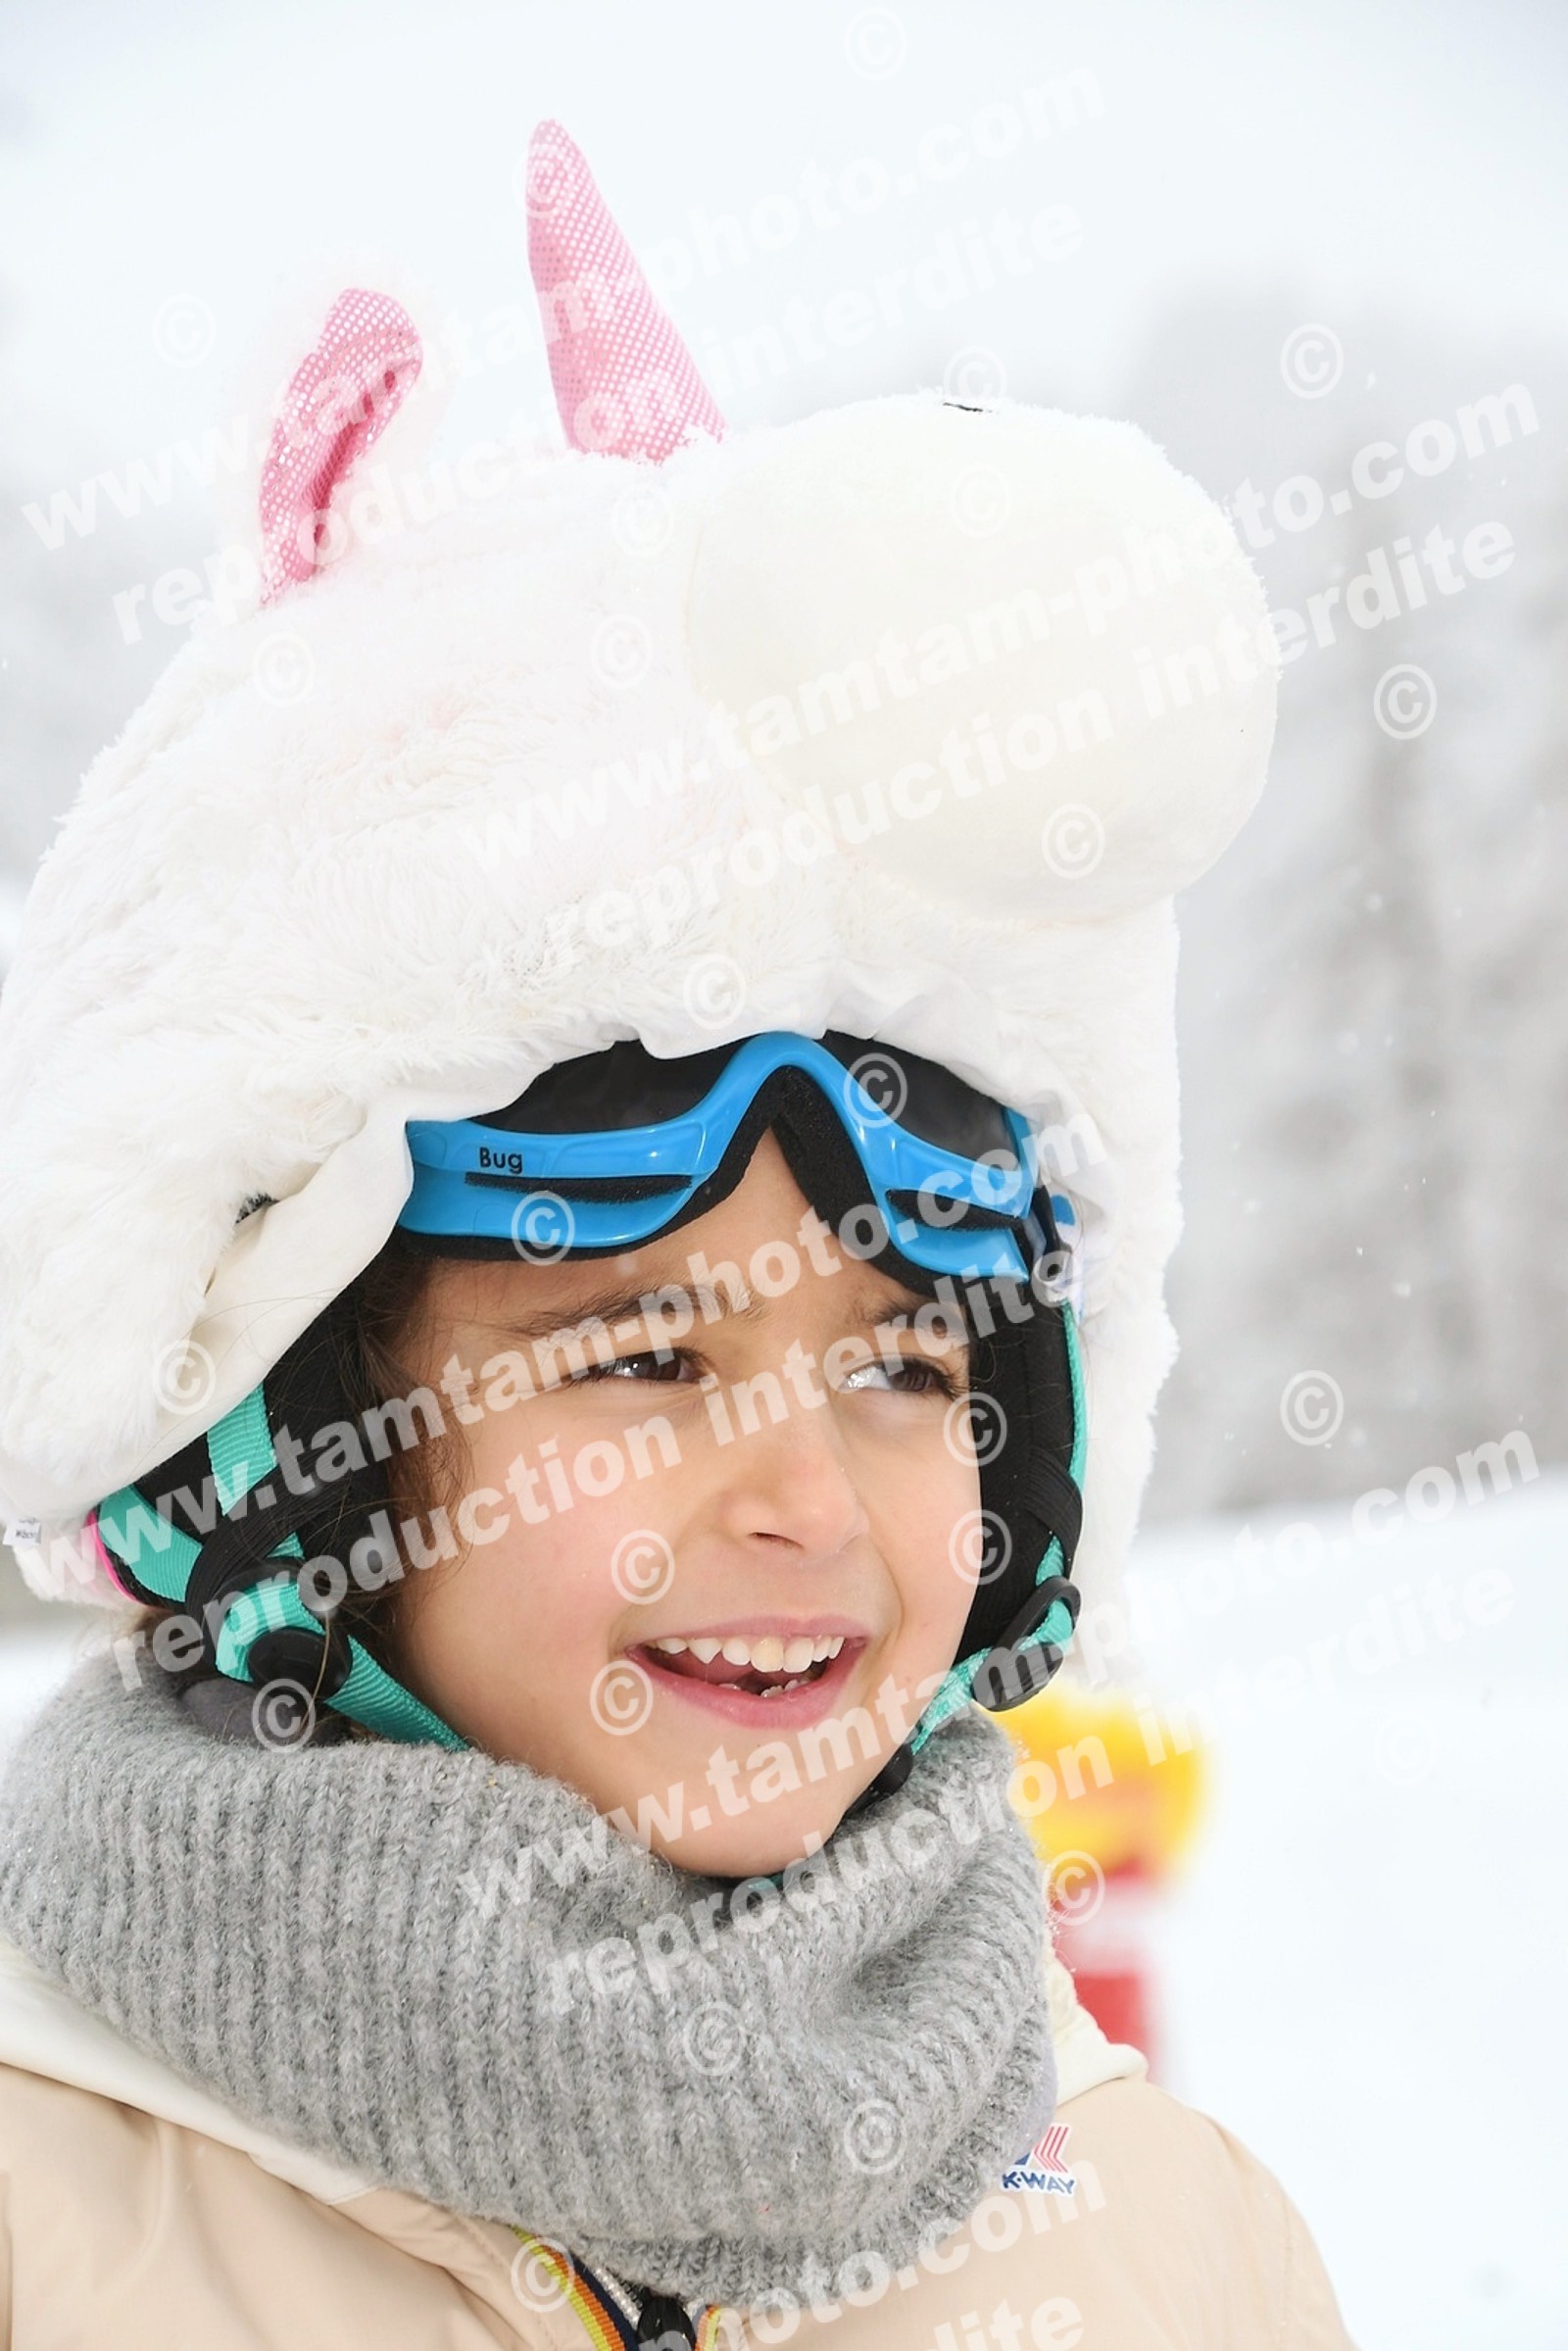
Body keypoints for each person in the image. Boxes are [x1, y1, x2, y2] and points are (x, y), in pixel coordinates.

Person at [0, 121, 1356, 2350]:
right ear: (272, 1451)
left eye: (906, 1365)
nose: (807, 1497)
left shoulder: (1168, 2242)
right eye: (641, 1355)